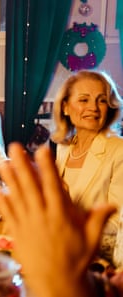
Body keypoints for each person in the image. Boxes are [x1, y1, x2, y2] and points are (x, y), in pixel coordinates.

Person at [0, 142, 121, 297]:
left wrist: (63, 284)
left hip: (89, 254)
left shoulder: (118, 149)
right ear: (65, 115)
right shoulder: (64, 148)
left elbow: (115, 221)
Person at [50, 70, 123, 260]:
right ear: (65, 107)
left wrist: (72, 225)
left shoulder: (119, 149)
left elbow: (118, 223)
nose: (94, 108)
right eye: (84, 100)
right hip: (58, 248)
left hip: (96, 259)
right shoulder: (63, 147)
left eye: (102, 100)